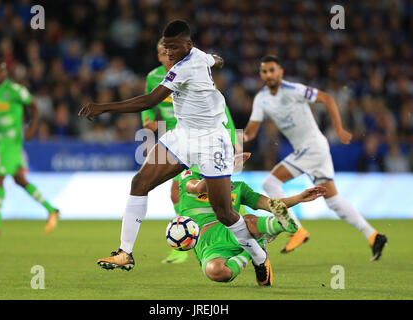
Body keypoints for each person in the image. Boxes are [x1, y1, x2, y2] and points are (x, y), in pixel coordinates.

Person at [79, 20, 271, 282]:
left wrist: (103, 107)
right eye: (166, 47)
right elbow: (216, 60)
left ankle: (259, 258)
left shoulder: (185, 67)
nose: (169, 52)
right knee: (140, 182)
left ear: (187, 46)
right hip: (182, 135)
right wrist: (217, 60)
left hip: (211, 141)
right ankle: (125, 252)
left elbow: (149, 101)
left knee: (224, 213)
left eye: (174, 47)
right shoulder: (199, 57)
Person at [242, 55, 387, 261]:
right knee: (334, 201)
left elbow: (327, 98)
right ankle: (374, 236)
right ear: (261, 74)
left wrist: (339, 129)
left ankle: (296, 230)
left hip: (312, 147)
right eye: (264, 71)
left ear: (280, 72)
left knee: (271, 182)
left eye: (272, 70)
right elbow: (251, 132)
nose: (269, 75)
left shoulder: (294, 90)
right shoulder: (261, 99)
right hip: (312, 149)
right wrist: (237, 139)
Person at [141, 37, 241, 264]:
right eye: (162, 53)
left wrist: (234, 143)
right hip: (178, 140)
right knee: (178, 192)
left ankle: (241, 235)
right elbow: (149, 102)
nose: (166, 56)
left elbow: (220, 108)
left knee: (217, 197)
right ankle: (182, 244)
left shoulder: (194, 73)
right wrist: (148, 119)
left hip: (206, 139)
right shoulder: (154, 77)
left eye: (169, 52)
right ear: (158, 56)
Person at [177, 164, 326, 286]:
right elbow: (198, 188)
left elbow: (270, 204)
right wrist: (223, 167)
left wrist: (299, 198)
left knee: (247, 221)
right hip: (208, 245)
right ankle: (253, 249)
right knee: (216, 272)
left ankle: (279, 223)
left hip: (230, 232)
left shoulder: (238, 188)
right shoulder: (189, 174)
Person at [0, 58, 59, 237]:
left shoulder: (14, 90)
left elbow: (34, 107)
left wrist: (31, 128)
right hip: (0, 141)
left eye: (1, 71)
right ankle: (51, 209)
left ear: (5, 73)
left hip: (12, 141)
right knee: (19, 180)